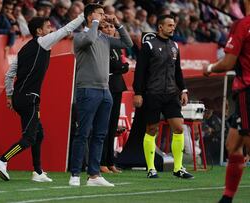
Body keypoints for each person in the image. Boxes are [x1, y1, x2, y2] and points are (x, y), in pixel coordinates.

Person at [0, 13, 85, 182]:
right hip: (29, 99)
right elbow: (67, 29)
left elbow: (9, 75)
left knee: (38, 134)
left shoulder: (24, 49)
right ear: (40, 31)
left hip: (20, 98)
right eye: (48, 27)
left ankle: (38, 172)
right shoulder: (43, 42)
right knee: (29, 138)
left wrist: (10, 96)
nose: (51, 29)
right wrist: (85, 14)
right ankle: (2, 160)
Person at [69, 3, 133, 187]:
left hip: (105, 91)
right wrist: (95, 23)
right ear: (90, 16)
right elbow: (89, 39)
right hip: (87, 89)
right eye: (100, 13)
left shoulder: (105, 39)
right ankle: (75, 174)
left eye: (104, 14)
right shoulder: (80, 36)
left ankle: (94, 175)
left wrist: (119, 24)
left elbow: (127, 44)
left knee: (100, 135)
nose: (104, 16)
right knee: (83, 133)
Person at [132, 14, 194, 179]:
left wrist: (184, 90)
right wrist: (138, 92)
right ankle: (151, 168)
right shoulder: (148, 46)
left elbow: (177, 70)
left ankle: (178, 168)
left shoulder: (175, 45)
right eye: (169, 25)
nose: (173, 28)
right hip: (153, 93)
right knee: (152, 130)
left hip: (171, 94)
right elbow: (140, 71)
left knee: (179, 128)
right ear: (160, 27)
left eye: (173, 25)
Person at [203, 0, 250, 202]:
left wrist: (210, 68)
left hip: (248, 91)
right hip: (243, 93)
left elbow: (228, 62)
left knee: (247, 143)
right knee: (233, 145)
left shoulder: (243, 25)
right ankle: (227, 198)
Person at [99, 21, 129, 174]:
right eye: (106, 27)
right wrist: (121, 67)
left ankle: (110, 161)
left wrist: (120, 67)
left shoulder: (116, 46)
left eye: (111, 27)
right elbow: (116, 66)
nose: (110, 29)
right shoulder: (100, 44)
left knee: (112, 126)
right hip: (106, 86)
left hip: (117, 86)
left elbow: (122, 66)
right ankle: (101, 162)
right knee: (103, 126)